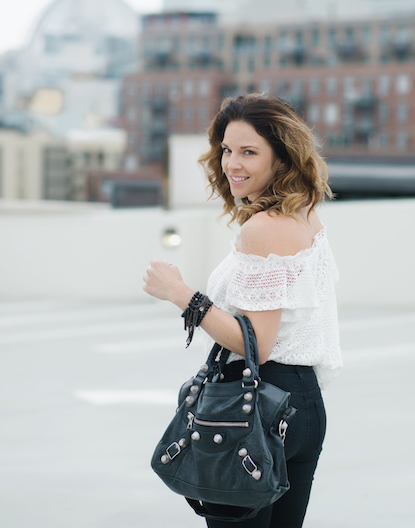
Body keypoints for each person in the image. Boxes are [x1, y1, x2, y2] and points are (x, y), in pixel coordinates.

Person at [143, 93, 342, 528]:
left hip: (254, 411)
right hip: (303, 404)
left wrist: (183, 295)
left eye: (249, 152)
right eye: (228, 150)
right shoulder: (305, 212)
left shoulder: (264, 229)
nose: (232, 163)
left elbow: (257, 343)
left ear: (282, 157)